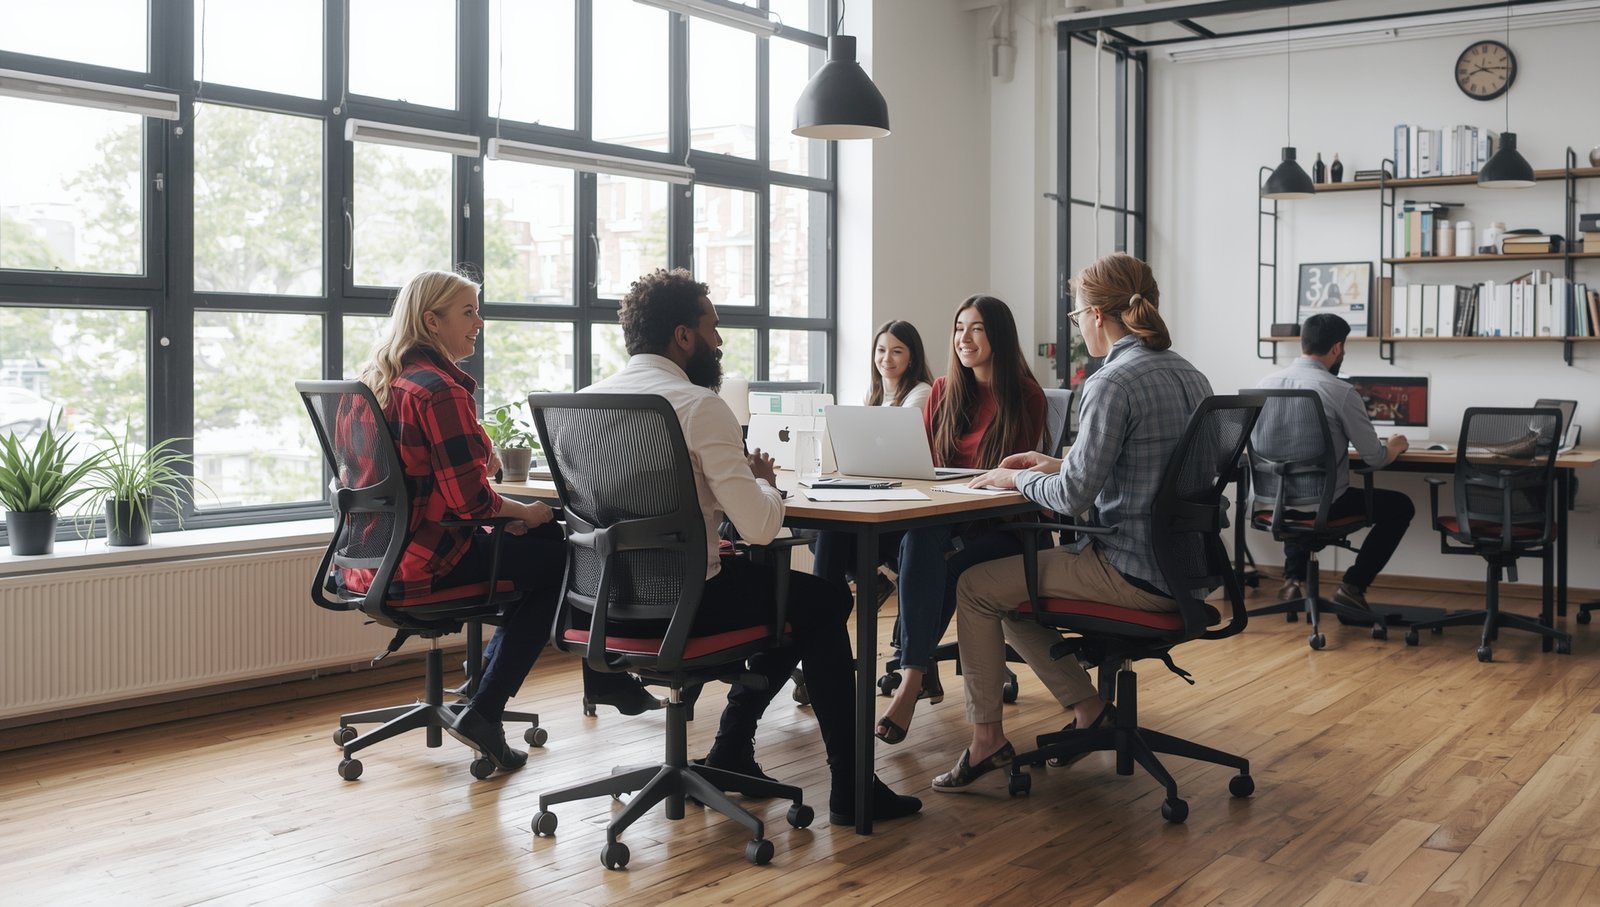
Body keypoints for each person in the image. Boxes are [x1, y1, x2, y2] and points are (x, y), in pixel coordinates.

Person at [583, 267, 922, 826]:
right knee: (825, 602)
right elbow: (761, 529)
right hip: (688, 606)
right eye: (712, 327)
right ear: (683, 336)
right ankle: (852, 787)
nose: (719, 341)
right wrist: (762, 481)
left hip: (606, 604)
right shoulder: (697, 405)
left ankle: (733, 749)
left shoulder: (590, 402)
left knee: (795, 600)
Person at [343, 269, 657, 773]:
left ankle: (489, 684)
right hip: (427, 561)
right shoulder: (438, 390)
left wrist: (504, 513)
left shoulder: (372, 385)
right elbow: (471, 503)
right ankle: (490, 706)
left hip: (370, 560)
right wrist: (524, 511)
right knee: (558, 549)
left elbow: (426, 488)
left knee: (534, 547)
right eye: (467, 311)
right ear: (432, 321)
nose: (479, 323)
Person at [931, 252, 1210, 792]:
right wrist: (1051, 462)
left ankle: (987, 740)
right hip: (1185, 571)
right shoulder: (1189, 374)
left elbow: (1073, 496)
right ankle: (1088, 709)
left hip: (1128, 570)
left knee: (976, 585)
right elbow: (1147, 467)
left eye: (1077, 314)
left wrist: (1016, 479)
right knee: (1011, 590)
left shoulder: (1112, 382)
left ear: (1098, 317)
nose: (1079, 325)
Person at [818, 296, 1044, 748]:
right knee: (835, 532)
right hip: (939, 514)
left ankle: (911, 676)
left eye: (976, 328)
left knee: (927, 544)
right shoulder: (942, 389)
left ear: (998, 336)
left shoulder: (1025, 394)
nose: (964, 338)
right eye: (959, 327)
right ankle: (820, 659)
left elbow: (1012, 475)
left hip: (998, 528)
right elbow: (922, 461)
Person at [1254, 312, 1415, 613]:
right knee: (1401, 506)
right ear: (1337, 348)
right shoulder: (1339, 391)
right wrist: (1394, 446)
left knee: (1298, 490)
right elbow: (1374, 458)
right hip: (1322, 504)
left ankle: (1293, 581)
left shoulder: (1262, 384)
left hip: (1269, 501)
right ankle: (1353, 586)